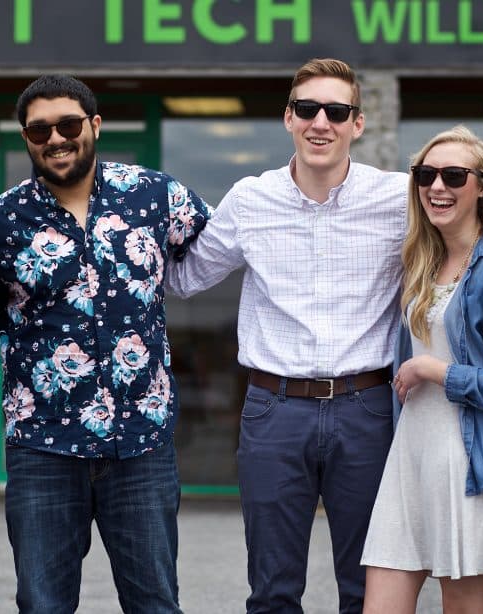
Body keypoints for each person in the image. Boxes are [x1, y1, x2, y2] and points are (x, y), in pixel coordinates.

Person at [0, 74, 210, 614]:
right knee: (43, 605)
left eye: (67, 124)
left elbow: (225, 252)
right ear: (25, 137)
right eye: (38, 129)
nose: (55, 138)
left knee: (156, 604)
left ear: (94, 125)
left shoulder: (156, 194)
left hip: (141, 443)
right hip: (42, 447)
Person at [167, 57, 407, 613]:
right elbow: (184, 277)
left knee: (368, 587)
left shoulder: (398, 198)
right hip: (274, 411)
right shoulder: (251, 199)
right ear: (288, 118)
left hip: (367, 408)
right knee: (272, 591)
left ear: (358, 124)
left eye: (336, 111)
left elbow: (453, 261)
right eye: (307, 109)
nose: (320, 122)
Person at [360, 126, 483, 614]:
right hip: (409, 454)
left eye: (454, 175)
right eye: (425, 175)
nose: (437, 187)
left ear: (482, 186)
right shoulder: (422, 262)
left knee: (462, 605)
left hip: (464, 459)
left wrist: (435, 370)